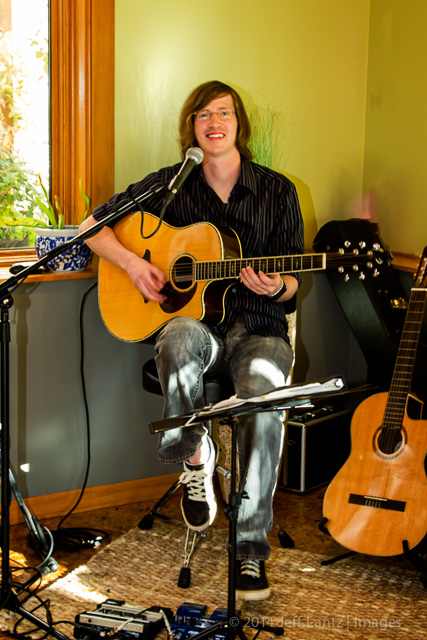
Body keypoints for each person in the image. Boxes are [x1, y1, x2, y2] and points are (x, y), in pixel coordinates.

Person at [80, 80, 304, 601]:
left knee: (262, 404)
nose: (214, 122)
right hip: (200, 328)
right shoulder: (172, 183)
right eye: (203, 114)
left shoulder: (278, 191)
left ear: (239, 124)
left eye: (223, 112)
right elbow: (92, 226)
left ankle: (249, 552)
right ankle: (195, 456)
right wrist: (133, 265)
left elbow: (296, 279)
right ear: (192, 127)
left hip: (260, 328)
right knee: (177, 334)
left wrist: (278, 286)